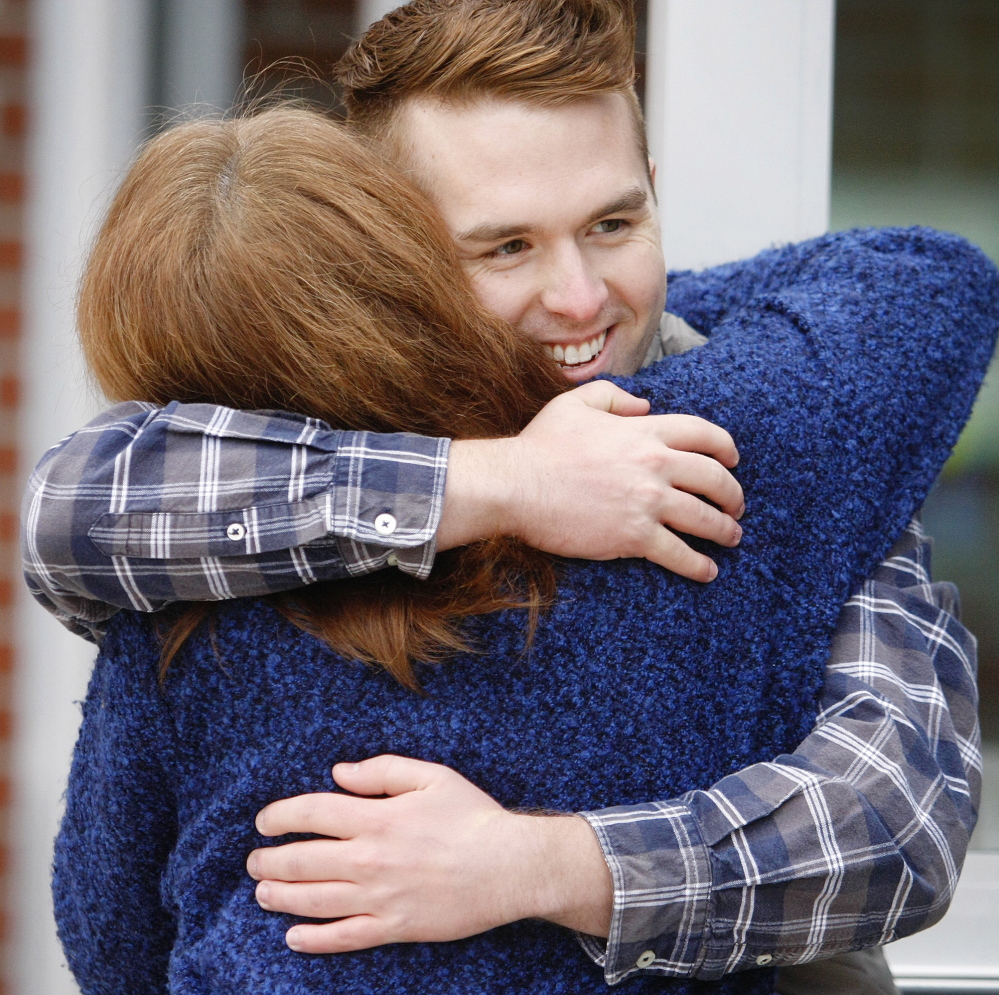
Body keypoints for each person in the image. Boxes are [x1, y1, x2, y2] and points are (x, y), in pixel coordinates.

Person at [22, 0, 991, 989]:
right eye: (507, 247)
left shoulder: (786, 430)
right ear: (387, 252)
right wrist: (504, 485)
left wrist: (542, 863)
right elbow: (75, 513)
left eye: (613, 223)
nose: (580, 299)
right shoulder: (295, 441)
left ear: (655, 192)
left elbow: (901, 815)